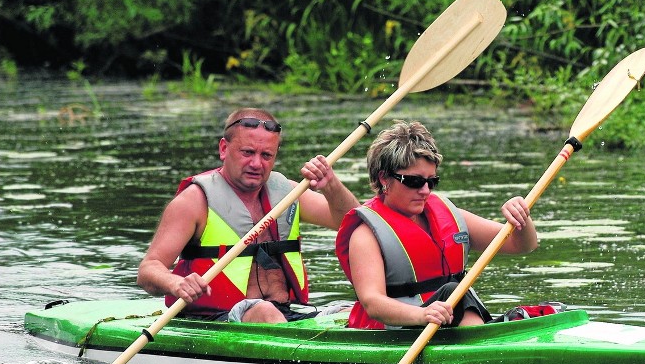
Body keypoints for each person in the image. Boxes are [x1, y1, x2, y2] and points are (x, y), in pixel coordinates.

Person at [137, 108, 359, 323]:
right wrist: (176, 283)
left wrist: (332, 186)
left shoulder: (289, 193)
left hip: (284, 313)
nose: (256, 164)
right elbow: (148, 269)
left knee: (353, 312)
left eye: (266, 155)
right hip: (216, 319)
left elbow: (354, 223)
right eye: (248, 152)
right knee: (264, 311)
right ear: (224, 149)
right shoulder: (193, 201)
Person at [335, 120, 538, 329]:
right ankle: (484, 342)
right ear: (384, 179)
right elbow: (373, 303)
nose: (425, 190)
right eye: (414, 181)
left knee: (460, 295)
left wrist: (521, 218)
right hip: (392, 333)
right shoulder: (365, 235)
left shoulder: (449, 216)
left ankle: (482, 338)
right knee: (452, 291)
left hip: (446, 323)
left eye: (431, 181)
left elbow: (522, 245)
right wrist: (422, 315)